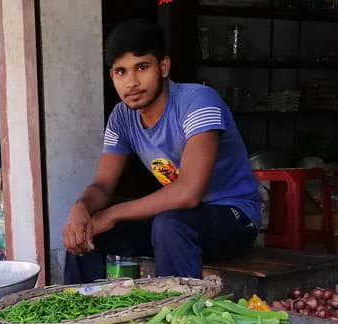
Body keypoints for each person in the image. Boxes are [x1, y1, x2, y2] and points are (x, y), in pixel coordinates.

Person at [63, 19, 261, 283]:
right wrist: (81, 208)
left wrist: (110, 214)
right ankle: (80, 318)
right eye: (121, 72)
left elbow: (189, 193)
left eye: (142, 67)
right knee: (87, 232)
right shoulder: (122, 117)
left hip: (234, 218)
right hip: (177, 218)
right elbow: (102, 185)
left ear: (163, 67)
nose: (131, 82)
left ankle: (175, 317)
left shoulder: (198, 101)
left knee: (170, 224)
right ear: (112, 76)